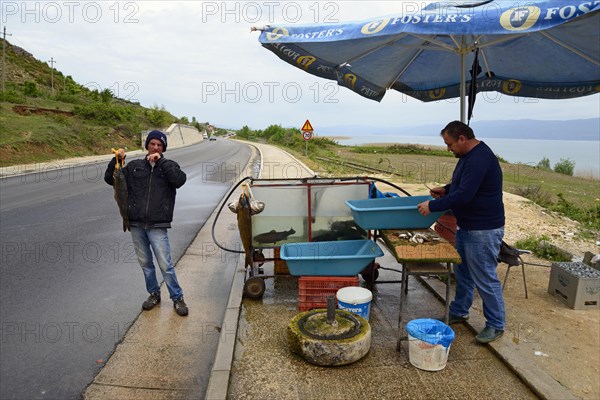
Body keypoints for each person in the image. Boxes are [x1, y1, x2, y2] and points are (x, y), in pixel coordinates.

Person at [417, 121, 505, 343]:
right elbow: (462, 186)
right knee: (463, 273)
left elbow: (465, 195)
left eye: (450, 144)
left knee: (485, 277)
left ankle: (496, 324)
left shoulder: (479, 158)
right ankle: (459, 311)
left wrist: (433, 205)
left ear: (462, 139)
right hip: (467, 226)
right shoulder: (468, 157)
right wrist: (446, 189)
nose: (449, 149)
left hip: (483, 229)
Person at [105, 130, 189, 316]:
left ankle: (177, 298)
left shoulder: (169, 166)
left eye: (159, 145)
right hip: (136, 224)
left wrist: (161, 162)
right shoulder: (135, 166)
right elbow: (110, 179)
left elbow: (179, 180)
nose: (155, 147)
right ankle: (154, 294)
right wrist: (117, 160)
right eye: (152, 144)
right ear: (147, 146)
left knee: (165, 264)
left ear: (163, 148)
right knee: (146, 263)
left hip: (157, 225)